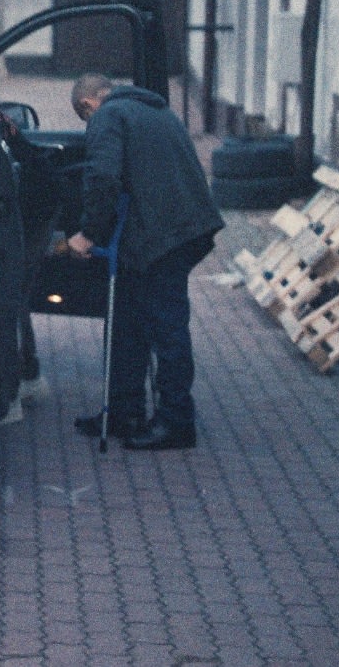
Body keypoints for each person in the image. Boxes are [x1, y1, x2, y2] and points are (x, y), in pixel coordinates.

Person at [64, 73, 223, 451]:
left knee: (166, 327)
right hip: (183, 227)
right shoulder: (153, 110)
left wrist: (89, 233)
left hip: (163, 235)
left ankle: (177, 422)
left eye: (84, 118)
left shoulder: (107, 116)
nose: (88, 124)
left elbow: (103, 176)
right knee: (127, 319)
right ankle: (124, 411)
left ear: (87, 104)